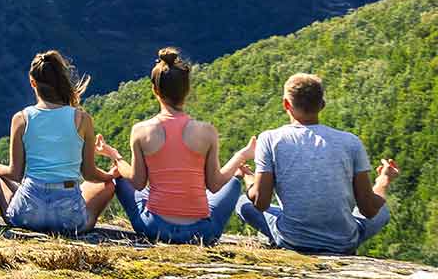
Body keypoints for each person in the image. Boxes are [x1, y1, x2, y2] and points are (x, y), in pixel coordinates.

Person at [97, 48, 254, 245]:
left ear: (155, 90)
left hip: (155, 227)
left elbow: (137, 182)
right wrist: (241, 155)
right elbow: (215, 184)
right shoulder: (207, 132)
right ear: (187, 90)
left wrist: (116, 157)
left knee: (120, 180)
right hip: (201, 232)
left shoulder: (141, 130)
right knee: (233, 183)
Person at [237, 73, 398, 254]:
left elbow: (261, 203)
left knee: (242, 203)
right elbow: (369, 210)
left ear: (286, 104)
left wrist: (249, 178)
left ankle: (279, 238)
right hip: (343, 243)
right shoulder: (351, 142)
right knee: (381, 210)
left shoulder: (270, 139)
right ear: (322, 105)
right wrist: (383, 180)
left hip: (293, 241)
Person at [0, 51, 117, 235]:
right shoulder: (82, 119)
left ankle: (15, 212)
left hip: (28, 213)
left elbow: (14, 174)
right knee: (108, 186)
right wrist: (110, 176)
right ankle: (84, 224)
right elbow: (89, 174)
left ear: (33, 83)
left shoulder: (21, 118)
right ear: (62, 81)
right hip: (68, 215)